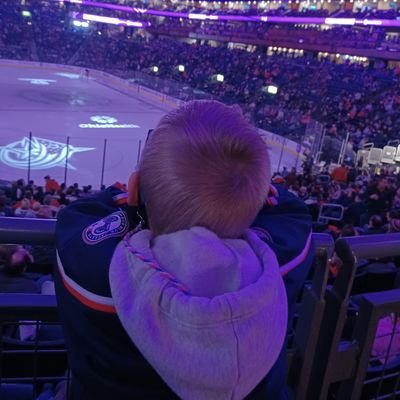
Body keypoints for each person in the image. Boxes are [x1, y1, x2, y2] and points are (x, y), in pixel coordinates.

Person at [55, 100, 313, 399]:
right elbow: (288, 208)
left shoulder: (97, 272)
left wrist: (136, 196)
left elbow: (80, 216)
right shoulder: (282, 259)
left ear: (135, 191)